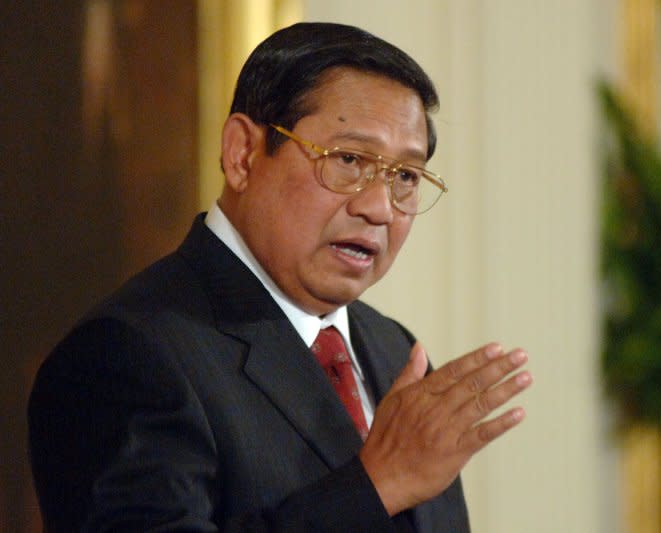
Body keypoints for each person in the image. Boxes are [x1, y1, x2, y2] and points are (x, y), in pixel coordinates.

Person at [28, 22, 531, 532]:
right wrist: (376, 485)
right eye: (349, 160)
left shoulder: (394, 351)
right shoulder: (124, 356)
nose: (380, 208)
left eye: (405, 176)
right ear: (242, 154)